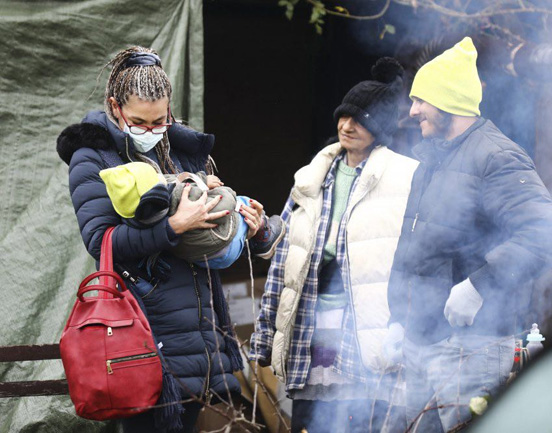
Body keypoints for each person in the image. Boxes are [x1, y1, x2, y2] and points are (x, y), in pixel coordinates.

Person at [56, 46, 272, 433]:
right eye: (140, 121)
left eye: (161, 120)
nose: (152, 131)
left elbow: (207, 244)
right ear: (114, 107)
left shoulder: (183, 151)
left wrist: (243, 228)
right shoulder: (92, 156)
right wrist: (174, 226)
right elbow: (102, 242)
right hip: (137, 333)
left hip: (194, 333)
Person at [382, 37, 552, 432]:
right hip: (421, 343)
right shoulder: (431, 158)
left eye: (421, 101)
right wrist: (399, 319)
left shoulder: (495, 157)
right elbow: (416, 247)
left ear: (449, 103)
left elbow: (544, 233)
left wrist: (478, 286)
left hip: (471, 348)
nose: (413, 111)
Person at [250, 58, 419, 433]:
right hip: (311, 321)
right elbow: (284, 259)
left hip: (363, 328)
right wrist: (265, 335)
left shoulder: (404, 177)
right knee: (310, 421)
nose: (346, 125)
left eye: (359, 120)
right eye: (343, 116)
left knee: (360, 419)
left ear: (381, 127)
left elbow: (416, 260)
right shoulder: (313, 175)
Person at [98, 162, 285, 270]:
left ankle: (251, 237)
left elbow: (171, 178)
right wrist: (227, 192)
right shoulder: (181, 197)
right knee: (243, 202)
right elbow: (223, 204)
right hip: (225, 250)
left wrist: (200, 179)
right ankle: (263, 234)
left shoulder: (134, 217)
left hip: (201, 259)